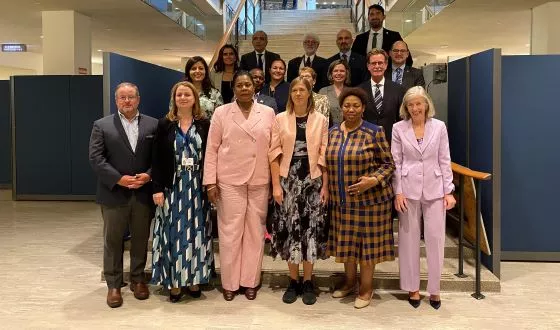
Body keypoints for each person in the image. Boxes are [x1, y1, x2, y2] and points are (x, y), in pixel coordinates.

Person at [203, 71, 276, 301]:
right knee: (230, 232)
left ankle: (250, 281)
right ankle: (230, 282)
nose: (244, 88)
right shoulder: (222, 113)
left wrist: (276, 183)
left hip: (259, 179)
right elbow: (212, 148)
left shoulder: (267, 112)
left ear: (255, 87)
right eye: (239, 85)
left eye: (248, 84)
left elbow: (274, 148)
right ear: (233, 89)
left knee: (255, 232)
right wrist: (210, 182)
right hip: (229, 180)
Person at [89, 82, 158, 308]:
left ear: (138, 99)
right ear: (116, 100)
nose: (127, 101)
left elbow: (159, 159)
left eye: (131, 97)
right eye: (122, 98)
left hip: (142, 193)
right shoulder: (102, 125)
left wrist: (148, 176)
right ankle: (114, 285)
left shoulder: (153, 125)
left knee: (140, 238)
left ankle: (138, 280)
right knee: (113, 240)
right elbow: (96, 159)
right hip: (114, 193)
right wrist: (119, 179)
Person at [326, 87, 395, 309]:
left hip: (370, 203)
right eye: (347, 105)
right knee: (347, 247)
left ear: (363, 108)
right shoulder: (333, 132)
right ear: (341, 108)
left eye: (356, 105)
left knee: (366, 249)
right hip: (342, 202)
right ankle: (349, 283)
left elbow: (389, 164)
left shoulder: (374, 132)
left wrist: (373, 180)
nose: (351, 109)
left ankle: (366, 288)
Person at [391, 86, 455, 310]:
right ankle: (412, 288)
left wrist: (449, 190)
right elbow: (396, 162)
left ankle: (435, 289)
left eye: (419, 103)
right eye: (411, 104)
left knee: (435, 240)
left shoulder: (439, 127)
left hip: (435, 188)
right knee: (408, 241)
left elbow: (444, 159)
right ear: (406, 108)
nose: (416, 108)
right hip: (407, 190)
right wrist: (397, 191)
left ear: (427, 104)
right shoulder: (398, 128)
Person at [150, 81, 213, 303]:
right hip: (173, 186)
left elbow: (212, 155)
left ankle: (194, 279)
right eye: (179, 95)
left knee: (196, 233)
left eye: (187, 94)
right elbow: (156, 159)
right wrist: (157, 188)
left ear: (195, 98)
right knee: (174, 235)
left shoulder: (205, 124)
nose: (183, 98)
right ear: (174, 99)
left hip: (196, 186)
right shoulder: (164, 124)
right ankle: (175, 282)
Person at [269, 77, 329, 305]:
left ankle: (308, 281)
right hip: (288, 181)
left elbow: (324, 155)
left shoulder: (321, 120)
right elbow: (273, 153)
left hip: (312, 181)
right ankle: (293, 281)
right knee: (292, 229)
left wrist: (326, 185)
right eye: (294, 90)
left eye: (302, 89)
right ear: (290, 94)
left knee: (310, 230)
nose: (298, 93)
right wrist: (275, 185)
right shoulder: (280, 119)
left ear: (309, 92)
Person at [359, 49, 405, 144]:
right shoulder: (359, 90)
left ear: (386, 65)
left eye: (380, 63)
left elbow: (402, 119)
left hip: (391, 141)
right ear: (368, 66)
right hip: (365, 142)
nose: (377, 66)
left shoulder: (398, 89)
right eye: (373, 63)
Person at [319, 59, 350, 125]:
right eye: (335, 71)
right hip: (327, 130)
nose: (338, 73)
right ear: (331, 74)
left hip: (347, 129)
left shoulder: (351, 92)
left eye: (342, 71)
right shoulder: (323, 91)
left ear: (346, 74)